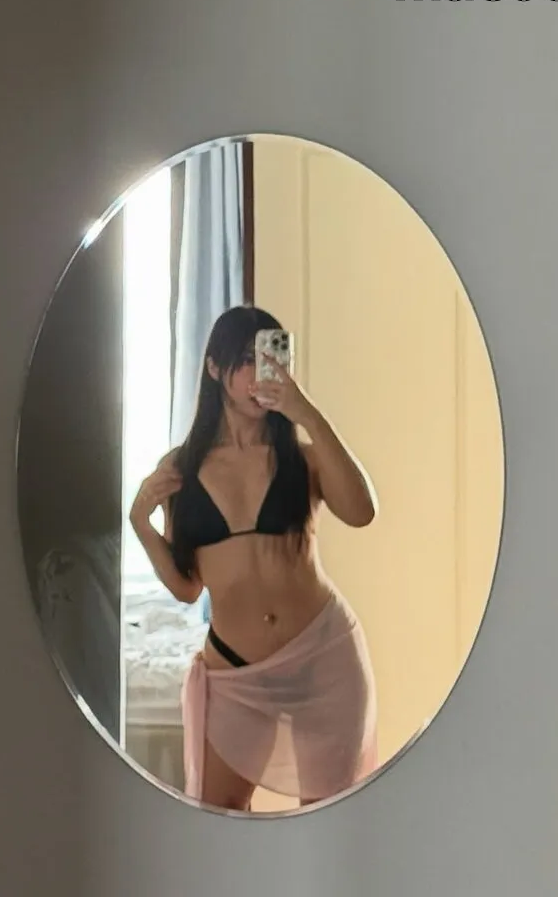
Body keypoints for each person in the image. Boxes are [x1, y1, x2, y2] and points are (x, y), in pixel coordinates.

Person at [129, 305, 378, 811]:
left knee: (327, 824)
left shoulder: (302, 458)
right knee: (219, 824)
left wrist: (306, 413)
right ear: (213, 367)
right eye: (245, 359)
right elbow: (187, 588)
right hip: (235, 676)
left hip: (324, 661)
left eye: (269, 357)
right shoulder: (182, 469)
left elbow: (362, 512)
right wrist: (139, 522)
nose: (260, 373)